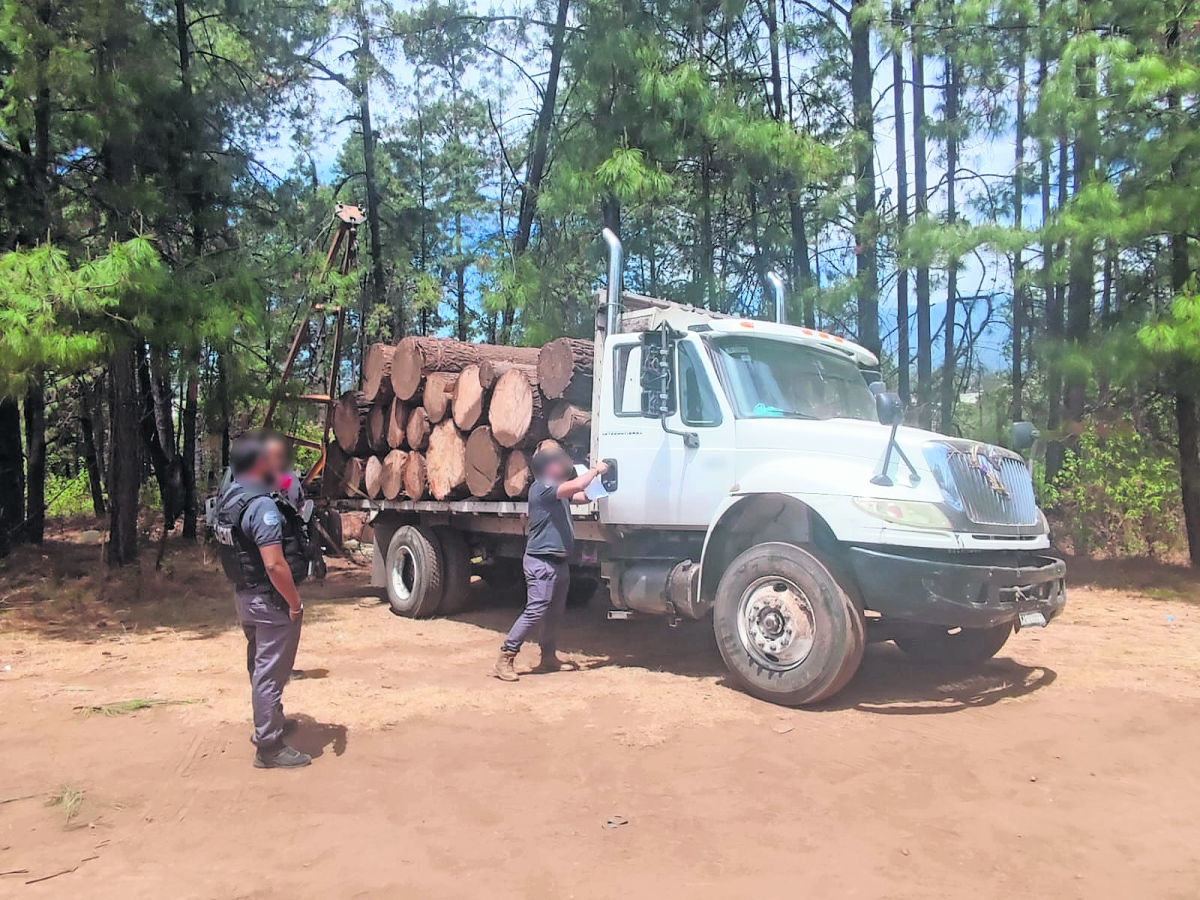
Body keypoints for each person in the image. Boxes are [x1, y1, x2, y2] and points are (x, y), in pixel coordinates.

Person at [213, 432, 312, 769]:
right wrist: (295, 603)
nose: (279, 465)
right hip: (270, 601)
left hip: (246, 596)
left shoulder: (231, 496)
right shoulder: (262, 505)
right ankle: (269, 746)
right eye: (271, 458)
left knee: (260, 665)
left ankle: (273, 721)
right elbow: (273, 563)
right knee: (269, 672)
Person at [493, 441, 608, 682]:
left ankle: (548, 657)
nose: (559, 463)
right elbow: (577, 485)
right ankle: (506, 656)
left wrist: (604, 485)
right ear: (544, 465)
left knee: (554, 613)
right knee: (536, 610)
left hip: (558, 564)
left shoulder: (557, 491)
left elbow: (583, 495)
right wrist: (596, 469)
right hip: (541, 563)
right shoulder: (542, 487)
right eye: (553, 459)